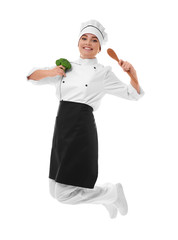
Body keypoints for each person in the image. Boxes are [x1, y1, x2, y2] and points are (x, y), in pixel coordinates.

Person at [27, 20, 144, 219]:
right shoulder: (65, 67)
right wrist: (52, 72)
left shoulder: (104, 73)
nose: (88, 42)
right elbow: (30, 76)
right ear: (78, 42)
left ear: (99, 47)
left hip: (81, 129)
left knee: (64, 195)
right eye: (84, 38)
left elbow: (132, 93)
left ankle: (111, 193)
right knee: (53, 190)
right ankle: (107, 196)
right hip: (61, 127)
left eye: (94, 40)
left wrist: (132, 74)